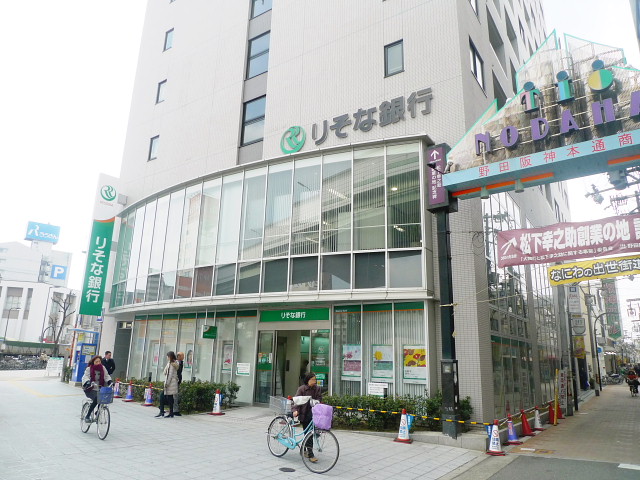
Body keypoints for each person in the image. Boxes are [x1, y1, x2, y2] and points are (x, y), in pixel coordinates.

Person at [292, 372, 322, 463]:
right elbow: (296, 401)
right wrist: (295, 410)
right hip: (304, 414)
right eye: (312, 379)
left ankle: (303, 449)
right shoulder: (302, 389)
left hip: (314, 413)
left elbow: (319, 399)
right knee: (309, 433)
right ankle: (311, 454)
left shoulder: (317, 389)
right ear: (308, 380)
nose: (314, 381)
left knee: (309, 433)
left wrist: (316, 402)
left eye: (315, 379)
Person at [82, 355, 112, 423]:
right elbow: (85, 376)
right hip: (90, 389)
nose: (98, 363)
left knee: (102, 398)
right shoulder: (89, 369)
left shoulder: (103, 368)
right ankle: (88, 415)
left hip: (100, 388)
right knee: (97, 398)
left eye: (99, 361)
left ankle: (98, 412)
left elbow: (106, 376)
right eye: (96, 362)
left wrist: (109, 381)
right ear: (93, 362)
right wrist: (87, 382)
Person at [155, 351, 179, 418]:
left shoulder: (171, 364)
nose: (167, 357)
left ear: (170, 356)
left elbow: (169, 375)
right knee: (170, 398)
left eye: (168, 356)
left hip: (170, 383)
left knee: (162, 396)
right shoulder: (172, 363)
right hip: (172, 383)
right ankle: (170, 413)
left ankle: (162, 411)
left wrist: (166, 384)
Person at [173, 352, 184, 416]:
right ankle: (175, 410)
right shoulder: (176, 363)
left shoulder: (180, 362)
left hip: (177, 380)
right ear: (179, 357)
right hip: (175, 381)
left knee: (174, 395)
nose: (183, 357)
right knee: (175, 395)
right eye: (182, 356)